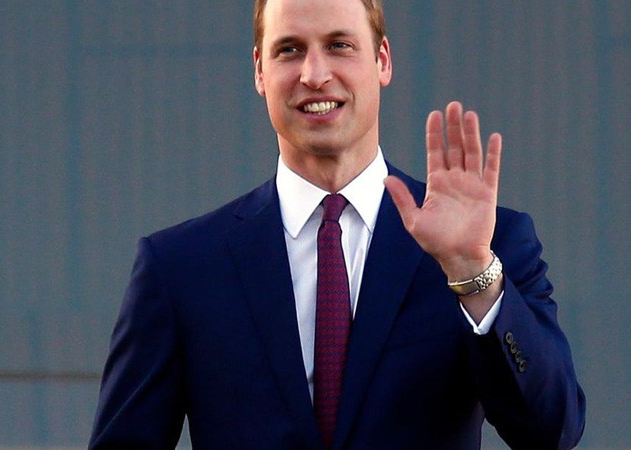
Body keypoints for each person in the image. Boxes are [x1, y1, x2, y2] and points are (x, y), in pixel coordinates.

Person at [88, 0, 585, 448]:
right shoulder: (180, 267)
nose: (314, 74)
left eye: (339, 45)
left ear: (382, 60)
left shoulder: (487, 244)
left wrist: (472, 273)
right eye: (289, 50)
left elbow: (552, 431)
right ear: (259, 71)